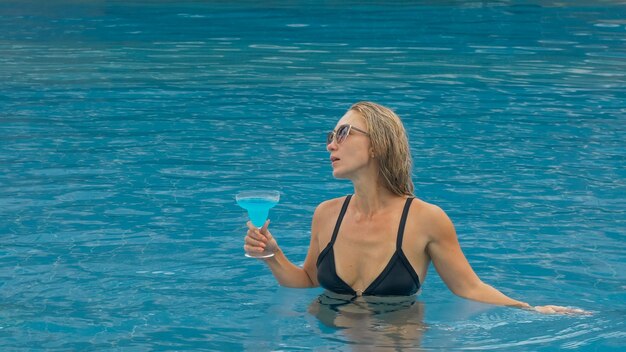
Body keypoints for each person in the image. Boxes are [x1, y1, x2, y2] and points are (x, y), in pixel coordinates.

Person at [244, 101, 587, 315]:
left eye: (344, 132)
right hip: (330, 336)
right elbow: (306, 281)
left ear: (378, 144)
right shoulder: (327, 213)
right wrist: (272, 256)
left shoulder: (425, 219)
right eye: (330, 136)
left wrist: (531, 310)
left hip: (396, 340)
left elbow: (469, 288)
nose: (331, 144)